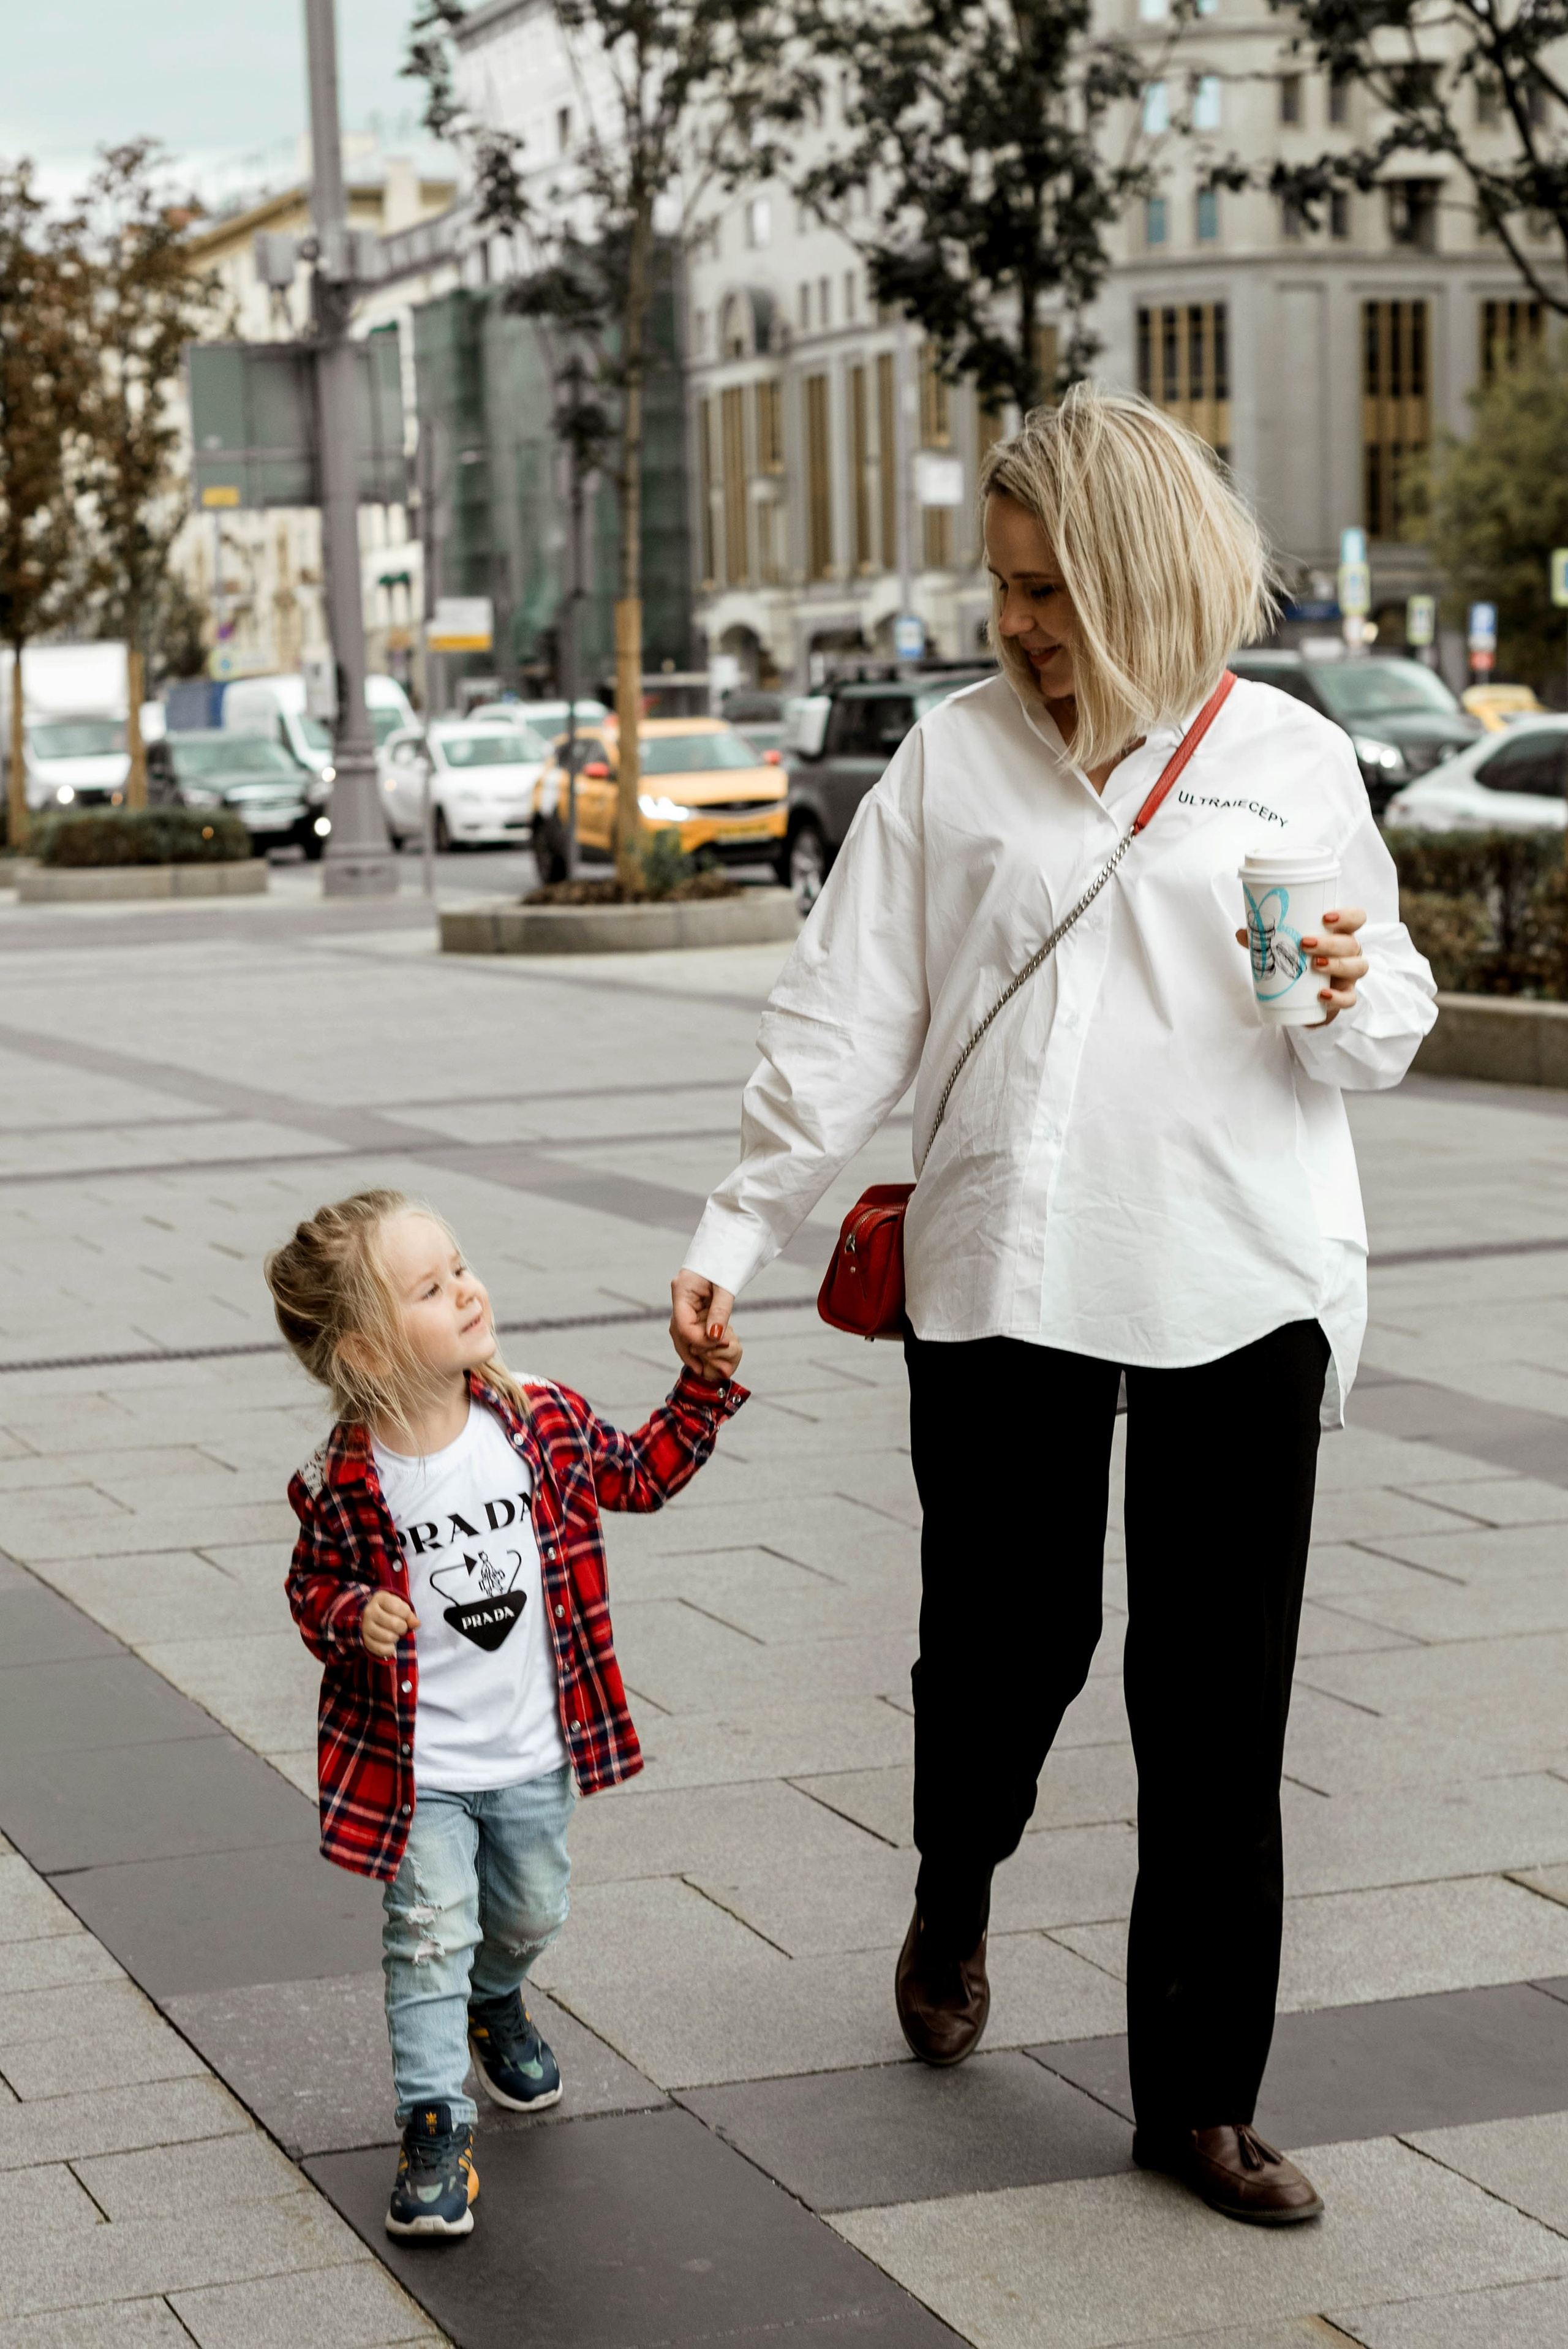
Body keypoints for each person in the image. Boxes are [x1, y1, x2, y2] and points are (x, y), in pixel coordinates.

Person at [669, 386, 1436, 2226]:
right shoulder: (952, 759)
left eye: (1055, 592)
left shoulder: (1292, 759)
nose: (1021, 626)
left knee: (1215, 1702)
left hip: (1240, 1275)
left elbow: (1384, 1020)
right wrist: (732, 1228)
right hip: (1010, 1268)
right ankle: (956, 1879)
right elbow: (844, 1013)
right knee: (1010, 1646)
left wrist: (1340, 982)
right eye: (1008, 587)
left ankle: (1197, 2095)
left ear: (1150, 580)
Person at [268, 1188, 744, 2240]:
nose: (466, 1289)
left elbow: (640, 1475)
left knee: (530, 1914)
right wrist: (355, 1615)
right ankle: (435, 2127)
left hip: (535, 1751)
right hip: (418, 1770)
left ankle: (498, 1998)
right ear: (367, 1350)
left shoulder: (537, 1418)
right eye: (429, 1289)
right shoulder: (345, 1480)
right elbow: (310, 1588)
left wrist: (701, 1392)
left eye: (461, 1267)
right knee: (426, 1933)